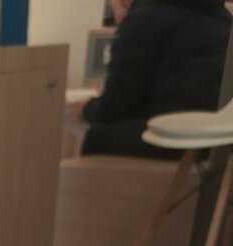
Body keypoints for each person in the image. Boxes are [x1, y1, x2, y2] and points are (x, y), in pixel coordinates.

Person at [71, 0, 232, 160]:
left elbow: (115, 108)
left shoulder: (145, 18)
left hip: (176, 142)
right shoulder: (222, 18)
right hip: (218, 143)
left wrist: (87, 109)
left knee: (96, 137)